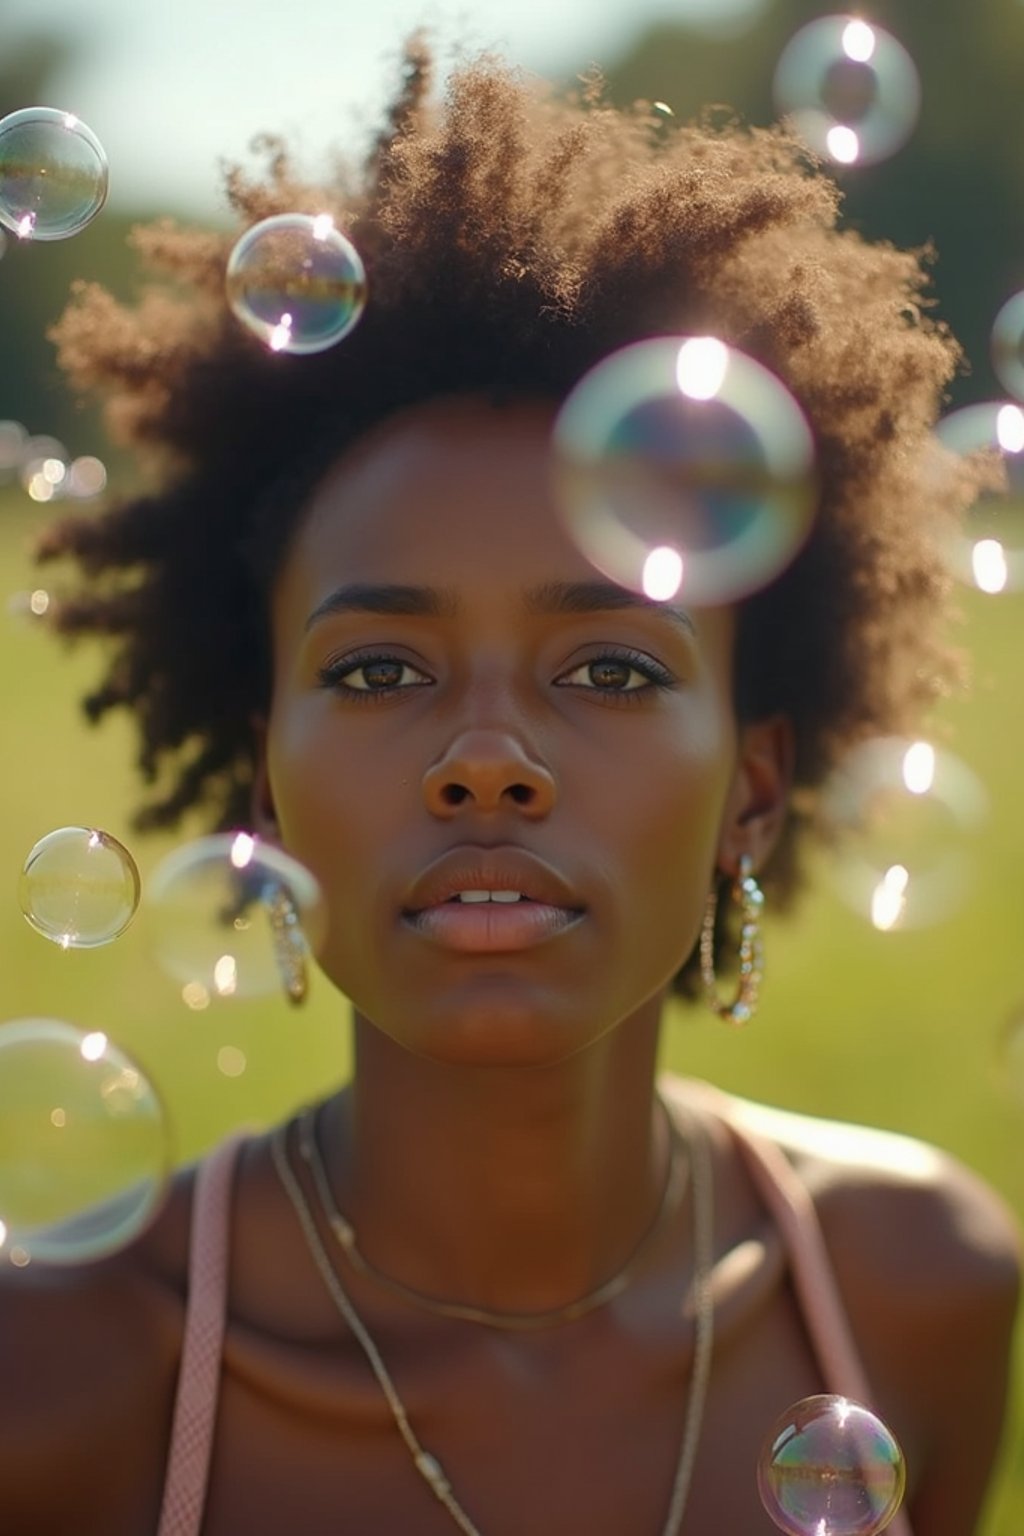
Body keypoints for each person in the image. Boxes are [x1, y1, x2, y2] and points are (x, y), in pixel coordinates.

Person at [1, 37, 1020, 1536]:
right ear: (264, 794)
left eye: (609, 670)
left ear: (752, 787)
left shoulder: (917, 1291)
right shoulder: (58, 1385)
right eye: (376, 672)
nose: (487, 760)